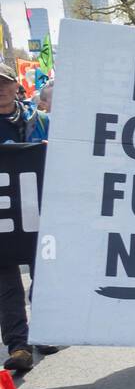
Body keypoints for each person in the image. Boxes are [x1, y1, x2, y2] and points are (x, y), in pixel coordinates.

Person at [0, 63, 49, 373]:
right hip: (3, 218)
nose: (0, 90)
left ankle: (46, 330)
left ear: (16, 85)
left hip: (39, 209)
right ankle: (19, 344)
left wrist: (49, 149)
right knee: (6, 283)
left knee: (43, 274)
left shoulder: (38, 120)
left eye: (4, 83)